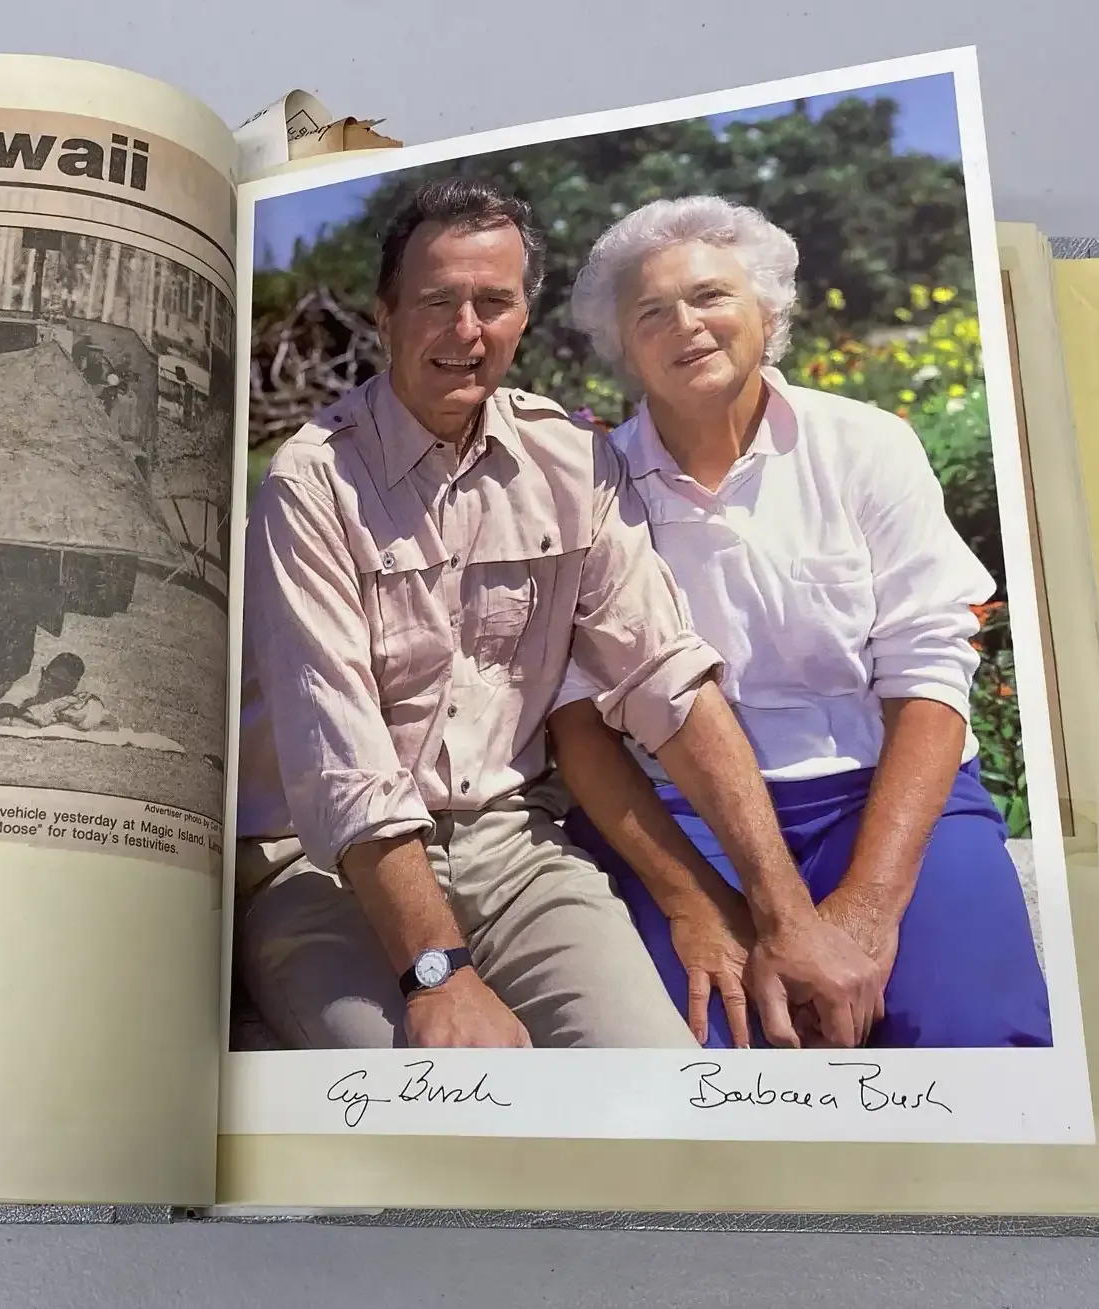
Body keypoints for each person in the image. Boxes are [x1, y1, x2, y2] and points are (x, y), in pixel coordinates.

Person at [235, 177, 887, 1051]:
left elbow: (665, 679)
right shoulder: (310, 483)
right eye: (435, 302)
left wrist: (785, 917)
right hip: (326, 868)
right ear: (385, 317)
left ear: (522, 317)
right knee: (429, 1101)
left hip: (513, 850)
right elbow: (341, 763)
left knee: (657, 1075)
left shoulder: (571, 462)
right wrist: (439, 974)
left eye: (493, 303)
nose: (465, 331)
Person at [548, 195, 1051, 1049]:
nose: (685, 325)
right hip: (678, 818)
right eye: (650, 313)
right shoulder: (585, 491)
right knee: (708, 1052)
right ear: (623, 349)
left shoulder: (864, 445)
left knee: (970, 1033)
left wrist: (867, 909)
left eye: (710, 296)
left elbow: (929, 669)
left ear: (768, 313)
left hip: (878, 794)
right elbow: (575, 722)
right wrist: (697, 904)